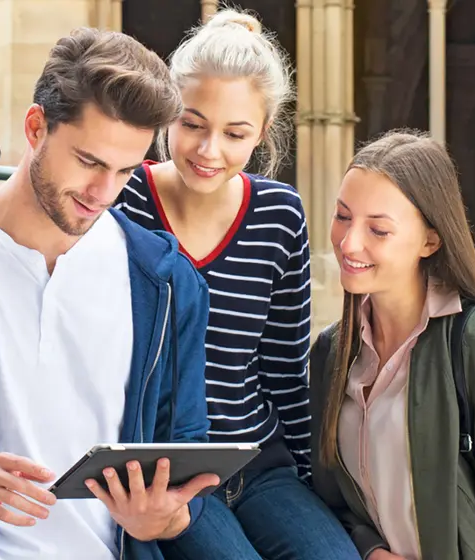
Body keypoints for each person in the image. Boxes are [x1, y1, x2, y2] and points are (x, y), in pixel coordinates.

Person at [0, 28, 219, 560]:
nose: (104, 193)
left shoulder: (165, 281)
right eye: (89, 162)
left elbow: (188, 458)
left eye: (125, 171)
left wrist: (165, 518)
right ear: (35, 127)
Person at [113, 10, 359, 560]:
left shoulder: (279, 215)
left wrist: (315, 488)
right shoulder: (122, 200)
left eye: (235, 133)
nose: (208, 150)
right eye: (193, 124)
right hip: (164, 471)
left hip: (258, 462)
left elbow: (283, 372)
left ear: (264, 134)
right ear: (167, 114)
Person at [308, 130, 475, 560]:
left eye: (378, 229)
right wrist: (370, 549)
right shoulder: (331, 352)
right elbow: (331, 498)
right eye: (343, 216)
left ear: (430, 241)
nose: (348, 243)